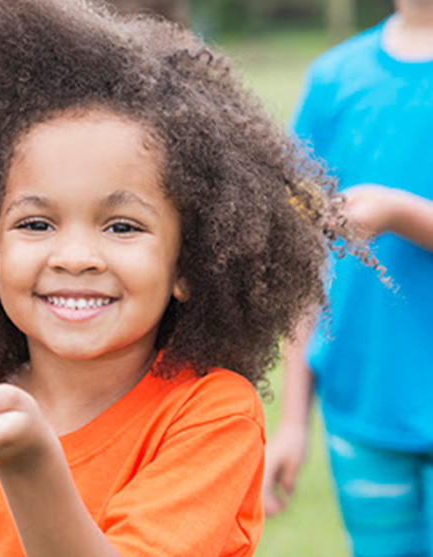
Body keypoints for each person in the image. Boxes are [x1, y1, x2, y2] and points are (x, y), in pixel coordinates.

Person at [0, 0, 372, 554]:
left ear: (187, 267)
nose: (75, 256)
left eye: (121, 227)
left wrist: (31, 465)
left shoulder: (211, 414)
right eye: (37, 223)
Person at [263, 1, 433, 555]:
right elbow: (305, 257)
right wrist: (291, 422)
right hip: (360, 409)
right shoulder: (335, 78)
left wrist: (401, 214)